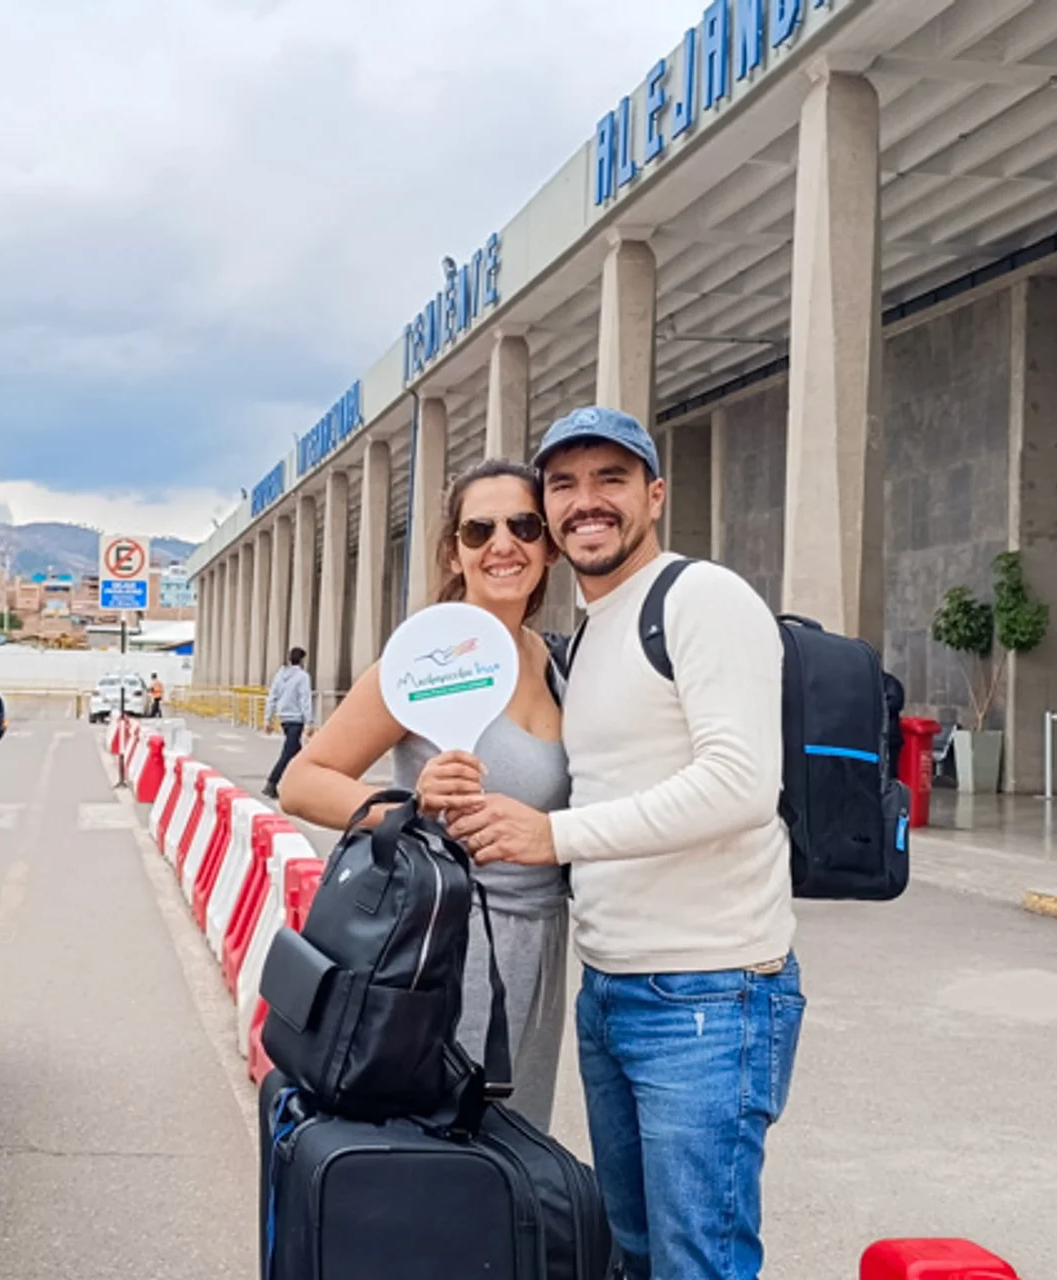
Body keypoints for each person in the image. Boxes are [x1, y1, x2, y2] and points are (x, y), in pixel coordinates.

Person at [448, 407, 804, 1280]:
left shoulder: (701, 598)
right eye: (564, 485)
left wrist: (553, 835)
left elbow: (741, 784)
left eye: (611, 478)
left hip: (709, 992)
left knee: (697, 1262)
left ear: (655, 495)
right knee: (634, 1255)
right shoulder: (593, 631)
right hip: (611, 988)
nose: (587, 501)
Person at [277, 459, 571, 1130]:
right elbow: (302, 780)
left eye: (524, 526)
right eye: (479, 530)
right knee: (445, 1150)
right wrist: (409, 806)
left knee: (516, 1145)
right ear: (453, 551)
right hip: (448, 946)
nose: (503, 545)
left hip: (542, 943)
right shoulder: (426, 659)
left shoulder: (551, 660)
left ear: (549, 545)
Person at [261, 647, 312, 800]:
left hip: (283, 718)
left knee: (299, 754)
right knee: (288, 753)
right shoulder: (303, 677)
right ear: (302, 660)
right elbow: (305, 699)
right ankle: (272, 782)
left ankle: (303, 786)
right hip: (296, 719)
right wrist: (309, 721)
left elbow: (272, 697)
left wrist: (268, 719)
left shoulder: (279, 675)